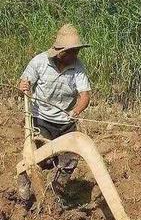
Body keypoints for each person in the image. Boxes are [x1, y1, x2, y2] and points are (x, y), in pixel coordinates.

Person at [18, 24, 91, 203]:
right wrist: (23, 86)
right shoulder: (40, 62)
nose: (76, 55)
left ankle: (54, 196)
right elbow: (24, 83)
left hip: (66, 123)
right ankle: (24, 193)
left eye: (77, 51)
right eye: (72, 52)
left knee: (70, 159)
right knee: (38, 159)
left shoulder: (78, 67)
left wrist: (76, 111)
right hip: (41, 120)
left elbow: (85, 95)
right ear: (60, 52)